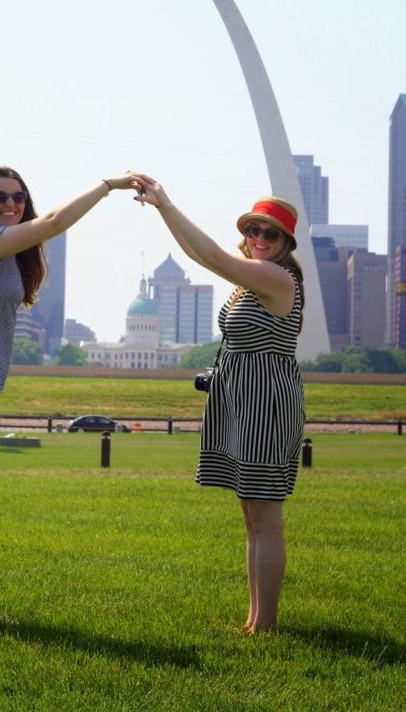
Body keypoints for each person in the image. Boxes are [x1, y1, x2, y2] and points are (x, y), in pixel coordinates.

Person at [0, 164, 143, 624]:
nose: (11, 204)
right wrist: (107, 185)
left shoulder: (8, 252)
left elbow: (45, 229)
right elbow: (57, 223)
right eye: (0, 197)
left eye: (18, 197)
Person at [132, 178, 305, 634]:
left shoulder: (276, 277)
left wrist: (166, 203)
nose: (259, 239)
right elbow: (201, 255)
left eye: (270, 234)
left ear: (286, 243)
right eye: (253, 230)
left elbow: (207, 256)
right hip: (240, 398)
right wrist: (165, 211)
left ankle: (266, 624)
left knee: (265, 518)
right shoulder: (245, 283)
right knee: (252, 517)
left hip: (266, 400)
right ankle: (254, 619)